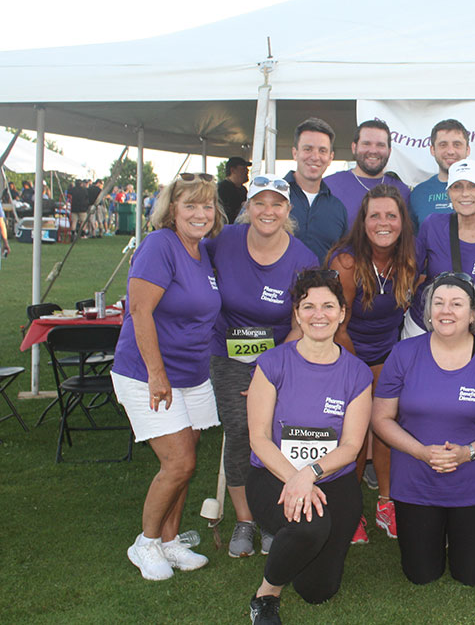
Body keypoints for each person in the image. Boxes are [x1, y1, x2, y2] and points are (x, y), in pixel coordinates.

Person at [372, 272, 475, 586]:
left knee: (471, 575)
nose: (445, 311)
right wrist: (420, 452)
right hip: (416, 479)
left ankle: (461, 535)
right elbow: (381, 418)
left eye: (457, 304)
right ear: (427, 312)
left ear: (472, 314)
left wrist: (468, 453)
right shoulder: (403, 354)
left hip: (473, 481)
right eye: (438, 303)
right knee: (421, 575)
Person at [110, 172, 225, 581]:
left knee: (187, 464)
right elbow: (139, 311)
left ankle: (170, 541)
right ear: (171, 209)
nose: (200, 213)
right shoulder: (160, 245)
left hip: (193, 376)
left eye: (207, 205)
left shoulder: (203, 251)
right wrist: (157, 376)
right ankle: (145, 542)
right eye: (190, 205)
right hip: (148, 374)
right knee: (179, 462)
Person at [245, 268, 373, 622]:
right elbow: (258, 437)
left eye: (328, 306)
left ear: (342, 313)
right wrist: (295, 478)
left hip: (333, 478)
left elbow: (351, 446)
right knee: (310, 526)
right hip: (272, 474)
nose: (319, 315)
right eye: (309, 306)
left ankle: (297, 551)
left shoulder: (357, 373)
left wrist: (311, 473)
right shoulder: (272, 363)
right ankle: (266, 595)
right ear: (297, 314)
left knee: (318, 592)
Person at [206, 173, 319, 559]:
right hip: (228, 353)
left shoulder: (303, 258)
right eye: (259, 202)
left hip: (278, 356)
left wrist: (265, 372)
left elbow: (299, 322)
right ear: (247, 207)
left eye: (276, 204)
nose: (267, 211)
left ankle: (273, 518)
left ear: (288, 210)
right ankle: (244, 518)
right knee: (240, 430)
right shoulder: (223, 242)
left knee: (274, 433)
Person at [327, 184, 417, 543]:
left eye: (391, 216)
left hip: (388, 354)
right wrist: (360, 375)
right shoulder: (346, 262)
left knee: (386, 427)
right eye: (374, 215)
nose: (383, 223)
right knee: (353, 433)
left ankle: (385, 502)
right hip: (347, 352)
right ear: (362, 222)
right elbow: (338, 324)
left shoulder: (409, 256)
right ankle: (349, 513)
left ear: (402, 221)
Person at [403, 159, 475, 338]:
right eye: (457, 187)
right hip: (425, 326)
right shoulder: (433, 225)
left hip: (473, 333)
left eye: (473, 186)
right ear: (449, 193)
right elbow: (410, 272)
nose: (465, 194)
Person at [407, 119, 475, 229]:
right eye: (443, 145)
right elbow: (412, 239)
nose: (451, 151)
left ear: (467, 150)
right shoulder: (419, 193)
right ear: (433, 150)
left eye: (457, 145)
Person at [281, 117, 349, 260]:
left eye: (322, 151)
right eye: (308, 149)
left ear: (331, 157)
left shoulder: (337, 209)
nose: (315, 157)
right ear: (295, 153)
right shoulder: (272, 197)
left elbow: (344, 258)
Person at [323, 120, 411, 228]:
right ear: (354, 147)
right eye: (366, 144)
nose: (373, 150)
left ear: (389, 151)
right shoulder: (329, 186)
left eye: (380, 145)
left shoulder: (403, 192)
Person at [218, 156, 251, 225]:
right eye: (243, 168)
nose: (247, 171)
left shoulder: (243, 190)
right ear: (233, 170)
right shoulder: (221, 188)